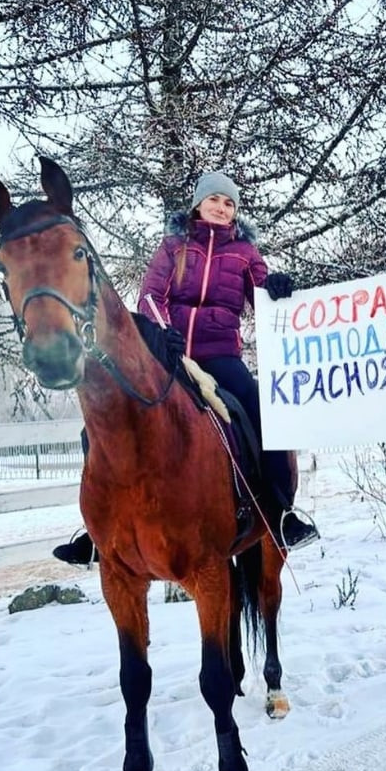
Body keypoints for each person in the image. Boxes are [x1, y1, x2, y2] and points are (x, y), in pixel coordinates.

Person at [53, 170, 319, 565]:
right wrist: (164, 334)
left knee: (264, 411)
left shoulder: (245, 254)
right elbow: (150, 296)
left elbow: (261, 296)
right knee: (105, 419)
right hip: (170, 355)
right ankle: (95, 529)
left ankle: (281, 513)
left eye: (229, 203)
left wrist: (276, 287)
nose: (221, 208)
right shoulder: (174, 247)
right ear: (199, 204)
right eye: (215, 200)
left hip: (221, 355)